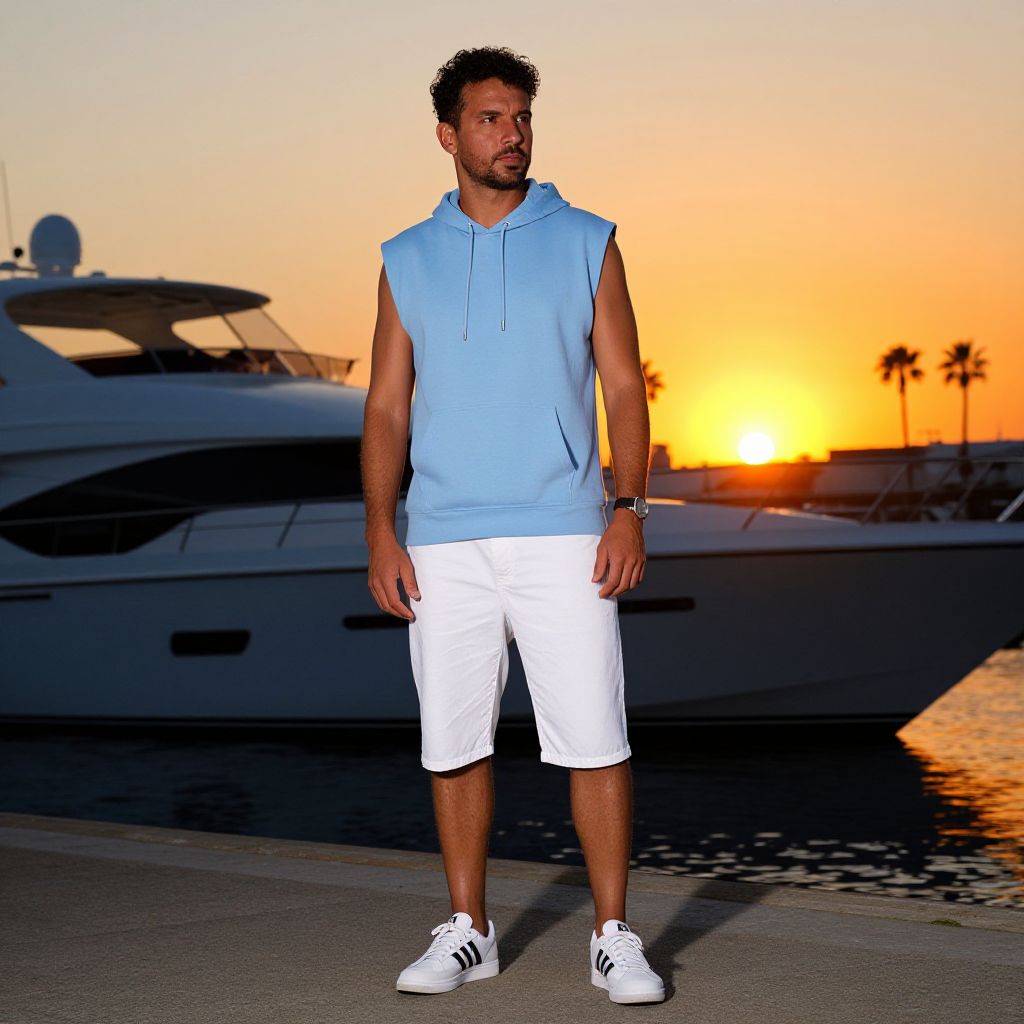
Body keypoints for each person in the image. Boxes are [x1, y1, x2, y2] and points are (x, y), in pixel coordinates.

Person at [361, 45, 663, 1006]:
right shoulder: (404, 257)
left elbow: (624, 384)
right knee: (453, 741)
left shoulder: (587, 238)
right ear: (448, 134)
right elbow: (385, 409)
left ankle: (614, 936)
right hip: (442, 534)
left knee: (594, 736)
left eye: (522, 117)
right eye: (491, 119)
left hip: (567, 526)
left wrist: (626, 507)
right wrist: (380, 528)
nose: (512, 134)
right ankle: (469, 931)